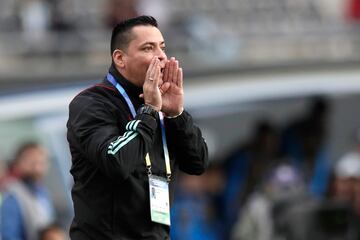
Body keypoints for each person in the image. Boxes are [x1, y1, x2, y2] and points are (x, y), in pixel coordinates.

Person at [66, 15, 208, 239]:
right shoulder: (91, 104)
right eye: (148, 48)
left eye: (162, 47)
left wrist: (176, 115)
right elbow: (116, 161)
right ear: (120, 59)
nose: (161, 57)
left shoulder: (161, 105)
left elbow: (198, 162)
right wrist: (150, 112)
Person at [1, 142, 55, 240]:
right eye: (33, 163)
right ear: (17, 164)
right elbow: (10, 236)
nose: (38, 168)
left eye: (42, 162)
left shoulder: (42, 191)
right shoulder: (12, 196)